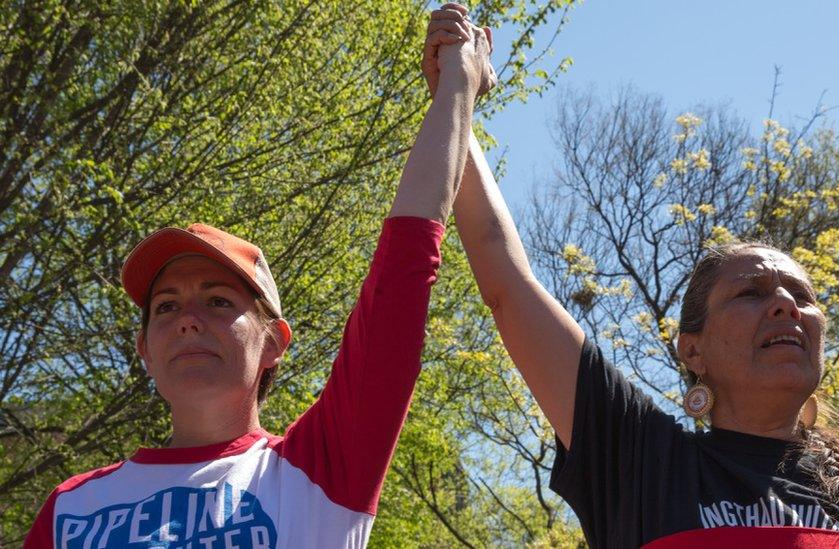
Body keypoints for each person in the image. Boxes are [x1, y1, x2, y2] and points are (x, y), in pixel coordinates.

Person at [423, 4, 839, 548]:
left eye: (802, 295)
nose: (786, 305)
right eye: (751, 293)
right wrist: (460, 96)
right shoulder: (637, 461)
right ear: (693, 351)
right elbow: (506, 281)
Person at [23, 10, 495, 548]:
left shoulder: (320, 472)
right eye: (166, 307)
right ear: (144, 350)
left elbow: (403, 273)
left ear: (274, 342)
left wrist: (457, 86)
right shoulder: (69, 509)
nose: (187, 321)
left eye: (219, 301)